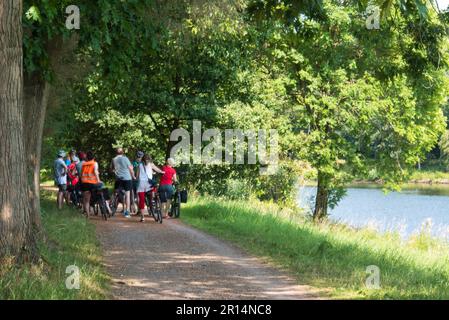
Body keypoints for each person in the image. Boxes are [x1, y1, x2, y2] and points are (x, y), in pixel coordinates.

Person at [136, 153, 164, 222]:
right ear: (150, 159)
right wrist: (162, 172)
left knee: (142, 200)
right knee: (153, 189)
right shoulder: (151, 164)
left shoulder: (139, 165)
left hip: (142, 185)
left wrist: (137, 179)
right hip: (149, 184)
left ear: (142, 159)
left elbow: (137, 176)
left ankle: (142, 217)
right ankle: (154, 200)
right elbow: (158, 170)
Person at [111, 148, 136, 218]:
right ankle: (127, 212)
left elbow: (112, 169)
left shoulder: (113, 159)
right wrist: (133, 176)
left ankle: (111, 205)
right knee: (128, 195)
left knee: (115, 191)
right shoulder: (125, 159)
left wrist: (115, 172)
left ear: (116, 153)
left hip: (118, 178)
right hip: (127, 178)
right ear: (123, 153)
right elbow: (131, 168)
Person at [80, 151, 104, 217]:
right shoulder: (95, 163)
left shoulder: (84, 164)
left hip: (85, 183)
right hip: (93, 183)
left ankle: (88, 215)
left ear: (87, 157)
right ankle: (104, 205)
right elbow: (96, 172)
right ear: (93, 157)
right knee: (101, 189)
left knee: (86, 200)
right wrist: (98, 180)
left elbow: (81, 174)